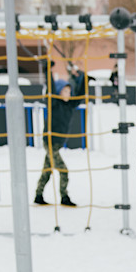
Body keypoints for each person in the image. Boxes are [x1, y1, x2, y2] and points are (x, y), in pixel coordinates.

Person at [34, 61, 86, 207]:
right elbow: (50, 88)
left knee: (47, 170)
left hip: (58, 142)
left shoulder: (69, 105)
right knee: (63, 171)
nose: (68, 94)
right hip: (50, 142)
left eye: (69, 91)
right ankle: (64, 197)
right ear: (58, 92)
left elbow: (81, 95)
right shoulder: (54, 104)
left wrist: (84, 79)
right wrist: (47, 70)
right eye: (64, 91)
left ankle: (38, 195)